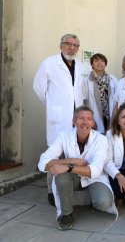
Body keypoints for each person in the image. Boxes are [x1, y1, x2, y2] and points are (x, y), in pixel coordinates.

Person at [37, 106, 117, 231]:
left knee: (103, 202)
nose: (85, 122)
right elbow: (43, 163)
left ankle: (90, 200)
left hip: (94, 178)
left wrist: (68, 167)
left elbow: (95, 171)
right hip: (72, 178)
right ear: (74, 121)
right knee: (60, 174)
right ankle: (66, 214)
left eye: (89, 119)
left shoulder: (101, 140)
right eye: (81, 118)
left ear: (93, 123)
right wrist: (70, 161)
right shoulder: (64, 136)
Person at [33, 33, 84, 206]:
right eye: (68, 44)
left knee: (72, 153)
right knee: (54, 154)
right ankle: (51, 191)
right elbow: (38, 88)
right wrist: (53, 106)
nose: (72, 48)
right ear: (61, 45)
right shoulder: (49, 63)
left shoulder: (80, 66)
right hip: (58, 119)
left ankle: (67, 188)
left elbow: (80, 92)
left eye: (76, 45)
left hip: (76, 119)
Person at [84, 53, 118, 133]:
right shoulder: (86, 81)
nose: (99, 63)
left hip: (111, 117)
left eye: (102, 61)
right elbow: (84, 102)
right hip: (95, 118)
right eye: (96, 61)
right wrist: (90, 119)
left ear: (105, 64)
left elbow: (117, 100)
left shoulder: (113, 79)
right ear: (92, 64)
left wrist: (115, 118)